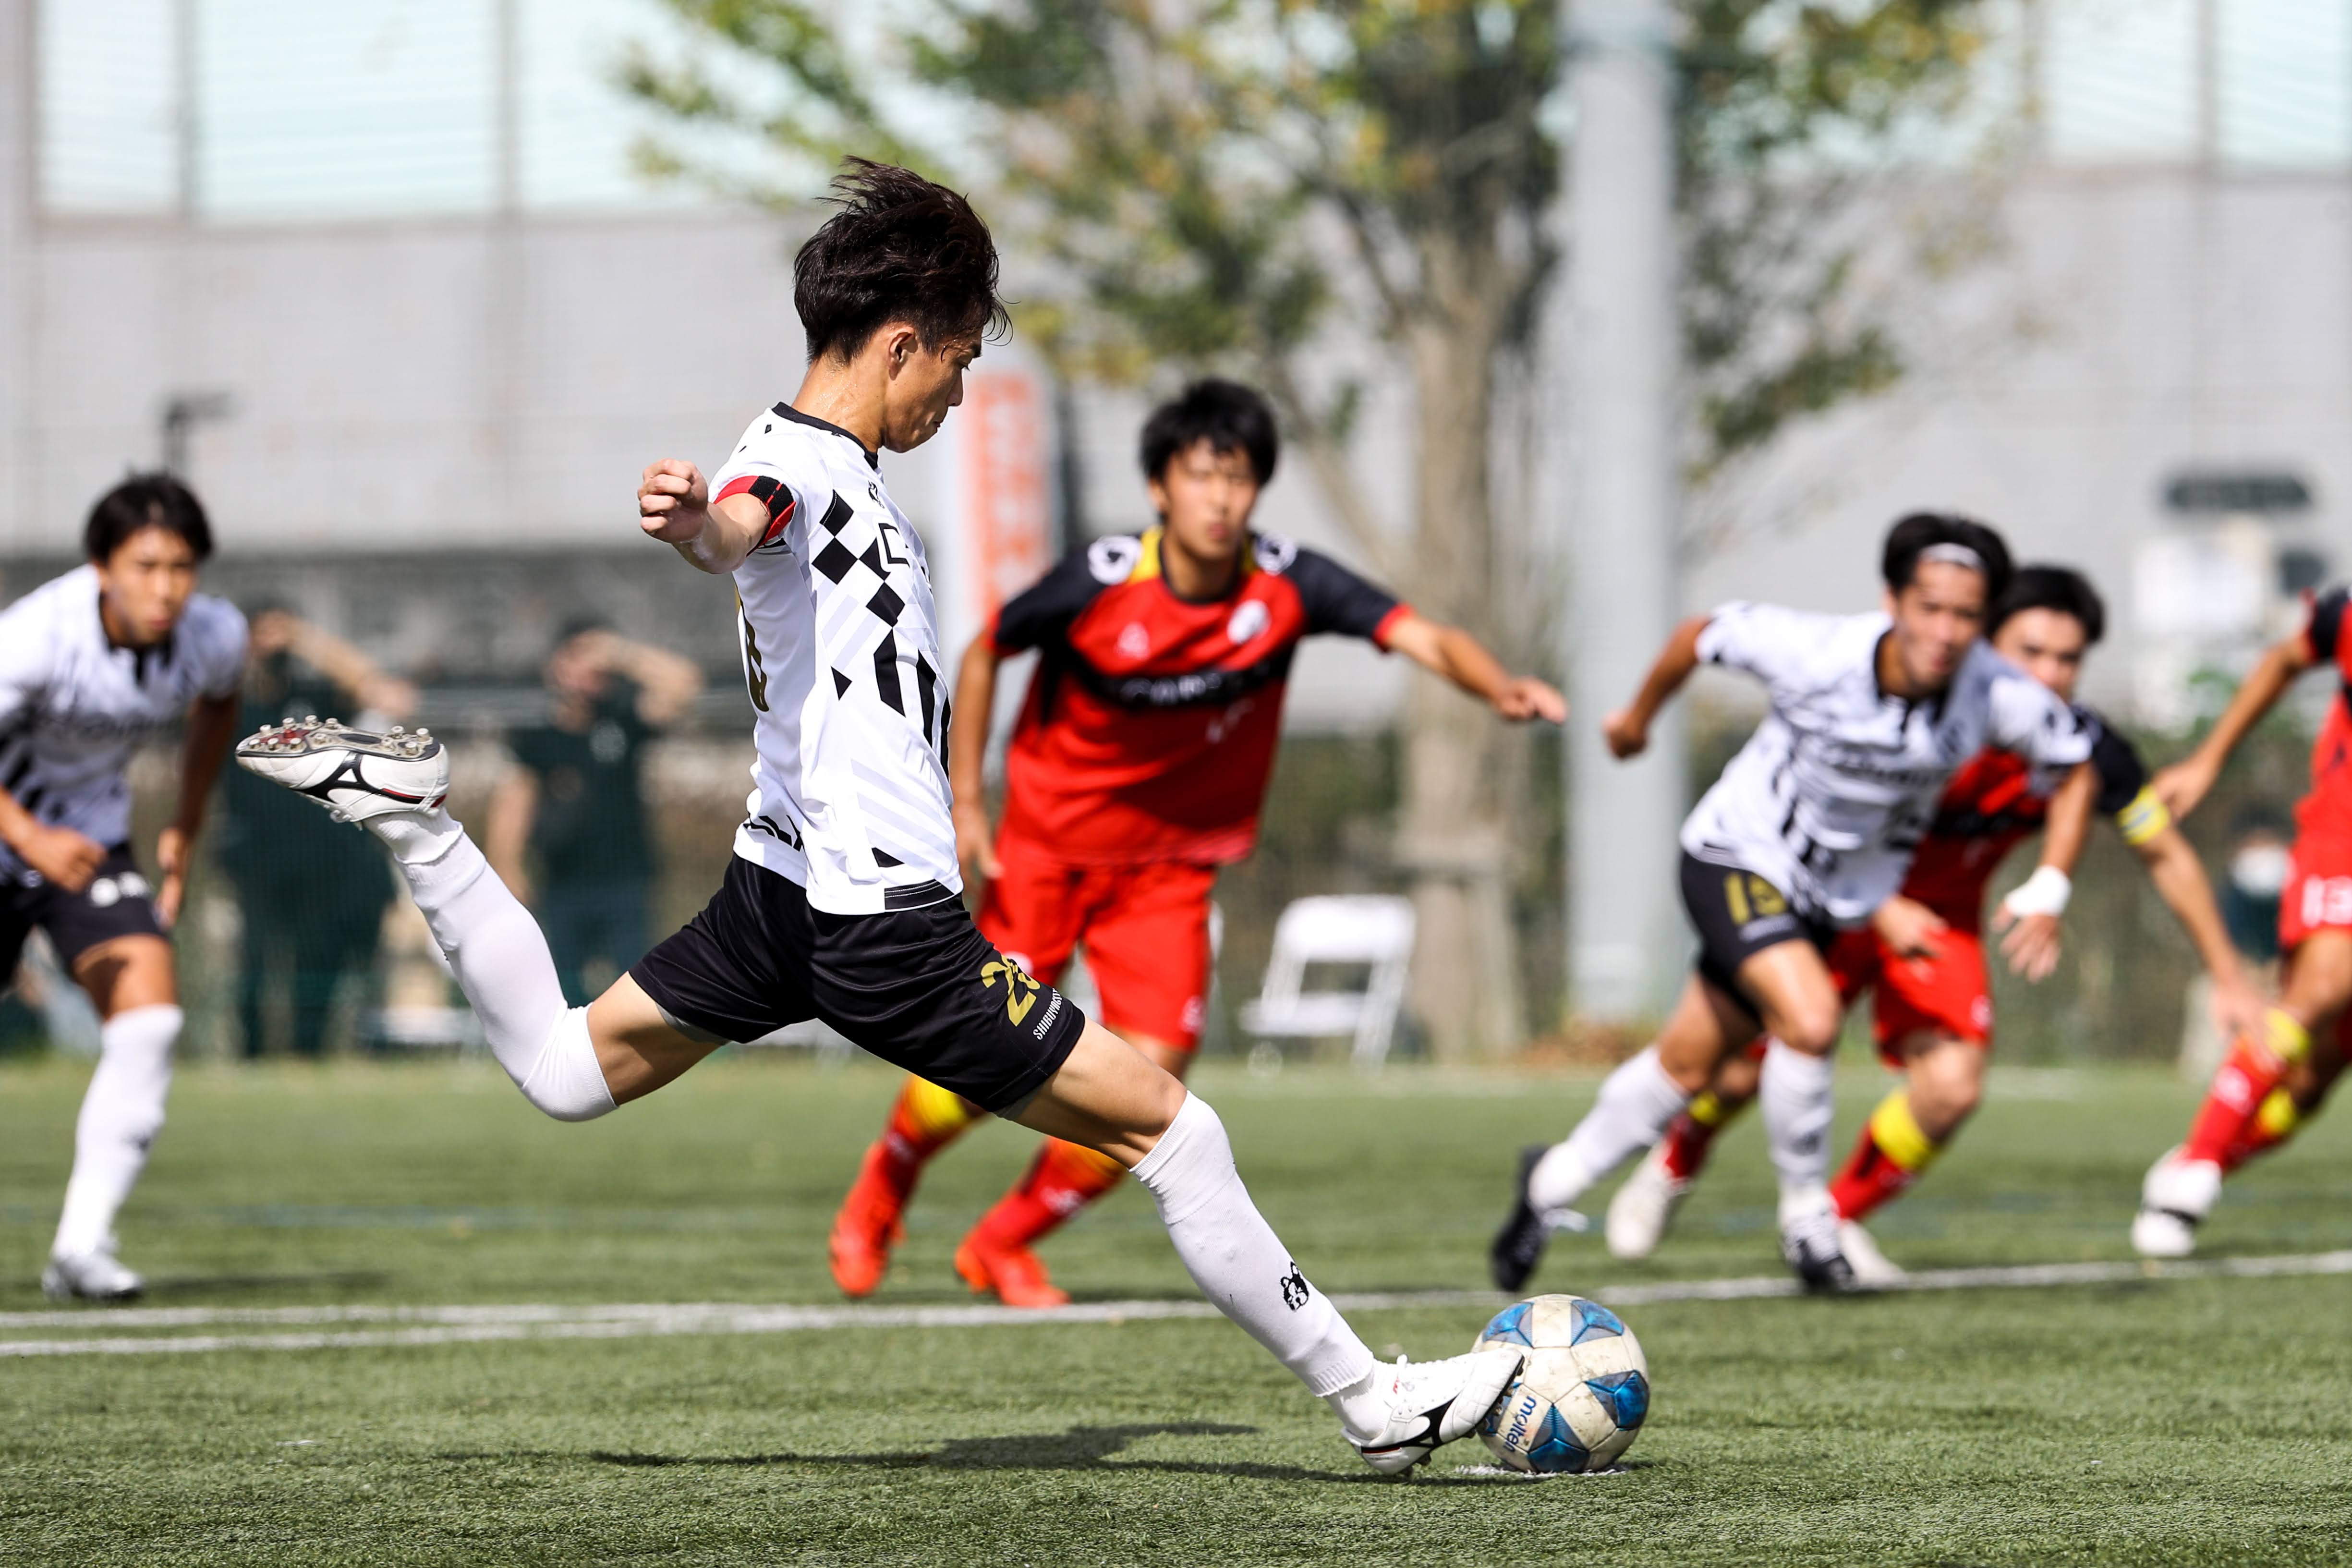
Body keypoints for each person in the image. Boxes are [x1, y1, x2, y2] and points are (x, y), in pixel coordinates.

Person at [235, 159, 1517, 1473]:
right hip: (881, 920)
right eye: (954, 365)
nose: (958, 396)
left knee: (566, 1072)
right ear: (903, 342)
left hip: (781, 890)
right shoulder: (796, 464)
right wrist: (697, 526)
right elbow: (744, 526)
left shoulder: (832, 460)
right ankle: (1376, 1403)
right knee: (1177, 1133)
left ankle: (419, 825)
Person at [827, 378, 1566, 1308]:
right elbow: (985, 652)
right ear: (1161, 489)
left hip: (1170, 871)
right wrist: (967, 803)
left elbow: (1416, 632)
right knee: (984, 1058)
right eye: (1202, 475)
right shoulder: (1101, 579)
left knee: (1151, 1081)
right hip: (1047, 849)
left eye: (1241, 478)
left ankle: (1003, 1241)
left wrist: (1495, 687)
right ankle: (885, 1182)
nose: (1222, 497)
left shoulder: (1287, 584)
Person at [1603, 565, 2267, 1279]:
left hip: (1941, 920)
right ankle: (1672, 1165)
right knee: (1734, 1073)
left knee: (1952, 1083)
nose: (2048, 673)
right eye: (2029, 652)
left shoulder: (2080, 746)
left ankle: (1831, 1219)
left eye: (2067, 658)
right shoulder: (1926, 715)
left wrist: (2228, 976)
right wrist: (1878, 906)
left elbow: (2165, 853)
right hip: (1830, 895)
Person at [1489, 515, 2095, 1293]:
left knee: (1688, 1064)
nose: (1944, 632)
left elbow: (2076, 766)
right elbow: (1698, 635)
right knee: (1808, 1019)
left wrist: (2050, 883)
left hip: (1828, 895)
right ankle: (1809, 1218)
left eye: (1965, 616)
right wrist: (1636, 721)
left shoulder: (1995, 694)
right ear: (1892, 601)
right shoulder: (1814, 651)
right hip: (1734, 854)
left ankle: (1549, 1184)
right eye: (1928, 608)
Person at [2, 475, 247, 1300]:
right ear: (101, 566)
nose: (166, 587)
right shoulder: (36, 635)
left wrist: (182, 821)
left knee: (150, 1023)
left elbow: (220, 705)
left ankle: (81, 1249)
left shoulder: (212, 636)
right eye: (145, 565)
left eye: (182, 566)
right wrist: (30, 836)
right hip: (17, 833)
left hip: (92, 844)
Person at [2129, 580, 2352, 1256]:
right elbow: (2284, 659)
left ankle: (2204, 1159)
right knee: (2317, 991)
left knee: (2312, 1081)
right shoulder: (2345, 616)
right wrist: (2207, 758)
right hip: (2341, 834)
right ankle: (2194, 1169)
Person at [217, 608, 414, 1057]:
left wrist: (305, 638)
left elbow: (375, 688)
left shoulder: (316, 699)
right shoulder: (230, 704)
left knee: (314, 961)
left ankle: (308, 1054)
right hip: (255, 857)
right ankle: (252, 1057)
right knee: (255, 963)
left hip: (320, 859)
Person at [485, 621, 703, 1005]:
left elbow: (685, 685)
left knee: (634, 987)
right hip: (562, 883)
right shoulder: (537, 737)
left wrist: (620, 653)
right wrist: (508, 866)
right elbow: (514, 803)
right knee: (562, 989)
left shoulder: (623, 719)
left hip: (625, 881)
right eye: (577, 658)